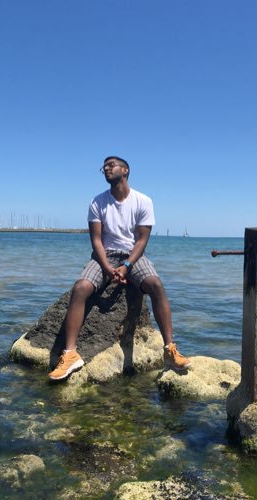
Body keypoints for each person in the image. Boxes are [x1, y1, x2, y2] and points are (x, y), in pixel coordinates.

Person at [49, 156, 191, 381]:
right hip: (104, 256)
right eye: (103, 166)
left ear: (125, 170)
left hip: (133, 256)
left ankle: (169, 350)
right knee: (80, 288)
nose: (106, 168)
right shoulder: (97, 202)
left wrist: (126, 266)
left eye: (111, 165)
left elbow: (142, 241)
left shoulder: (143, 201)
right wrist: (107, 268)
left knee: (155, 284)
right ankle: (70, 354)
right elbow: (96, 240)